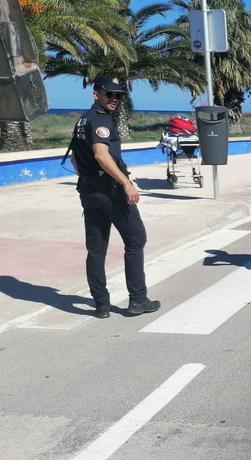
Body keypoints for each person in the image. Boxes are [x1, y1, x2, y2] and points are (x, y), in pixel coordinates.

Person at [70, 75, 160, 318]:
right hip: (109, 191)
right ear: (96, 93)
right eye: (109, 94)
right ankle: (138, 300)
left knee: (96, 249)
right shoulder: (100, 119)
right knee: (136, 239)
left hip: (89, 191)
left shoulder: (83, 119)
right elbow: (101, 154)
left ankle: (101, 305)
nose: (114, 99)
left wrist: (88, 176)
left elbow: (75, 157)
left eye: (118, 95)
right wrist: (125, 182)